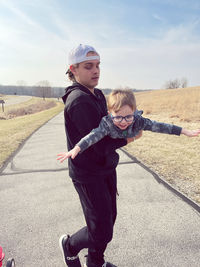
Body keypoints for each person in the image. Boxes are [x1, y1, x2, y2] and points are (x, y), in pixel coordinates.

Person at [58, 44, 142, 267]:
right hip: (88, 174)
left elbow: (108, 128)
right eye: (88, 66)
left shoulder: (95, 95)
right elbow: (98, 145)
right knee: (101, 230)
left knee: (108, 222)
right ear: (73, 69)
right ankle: (70, 246)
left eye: (97, 65)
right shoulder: (79, 100)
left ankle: (95, 263)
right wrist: (131, 138)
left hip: (105, 168)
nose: (96, 71)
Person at [57, 89, 200, 161]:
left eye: (128, 116)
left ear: (134, 112)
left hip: (131, 132)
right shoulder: (107, 124)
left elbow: (162, 126)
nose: (124, 121)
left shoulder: (138, 121)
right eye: (118, 117)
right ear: (109, 113)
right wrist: (77, 148)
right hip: (115, 143)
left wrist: (185, 131)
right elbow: (92, 136)